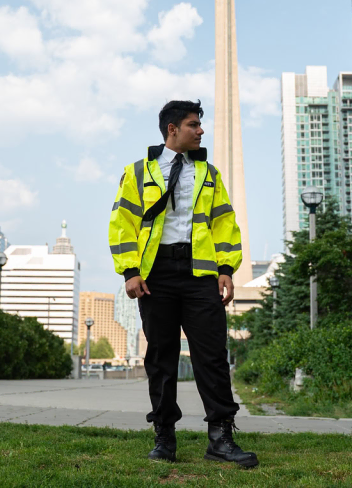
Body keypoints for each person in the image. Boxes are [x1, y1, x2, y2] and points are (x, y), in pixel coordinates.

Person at [108, 99, 258, 469]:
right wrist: (130, 271)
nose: (201, 130)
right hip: (154, 276)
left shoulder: (209, 173)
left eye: (201, 124)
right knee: (161, 358)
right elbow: (123, 223)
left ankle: (221, 439)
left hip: (199, 275)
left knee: (211, 357)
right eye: (194, 124)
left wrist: (226, 268)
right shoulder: (138, 171)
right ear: (172, 129)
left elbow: (224, 222)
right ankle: (164, 439)